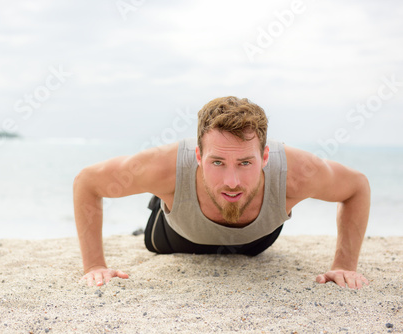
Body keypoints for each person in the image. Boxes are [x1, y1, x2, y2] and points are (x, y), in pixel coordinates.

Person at [73, 96, 371, 289]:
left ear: (265, 157)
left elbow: (356, 187)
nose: (232, 180)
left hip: (254, 242)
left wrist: (344, 266)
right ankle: (156, 209)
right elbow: (87, 182)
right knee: (152, 228)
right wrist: (95, 266)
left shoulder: (296, 172)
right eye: (217, 162)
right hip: (174, 237)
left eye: (245, 162)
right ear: (198, 156)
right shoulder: (163, 166)